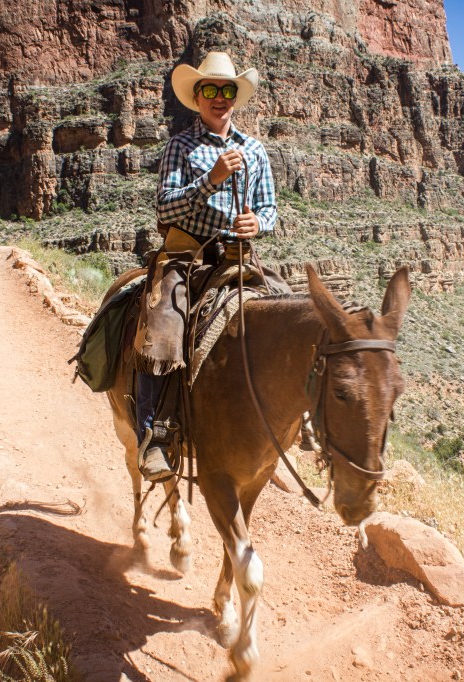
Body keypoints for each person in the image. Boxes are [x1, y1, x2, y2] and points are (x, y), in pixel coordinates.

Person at [134, 51, 278, 482]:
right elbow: (164, 205)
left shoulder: (254, 149)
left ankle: (284, 426)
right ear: (197, 97)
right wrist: (209, 179)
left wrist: (259, 222)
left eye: (227, 90)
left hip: (237, 256)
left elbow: (270, 208)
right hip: (186, 254)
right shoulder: (181, 146)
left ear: (236, 96)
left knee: (286, 310)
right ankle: (154, 438)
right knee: (164, 324)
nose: (220, 98)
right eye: (211, 90)